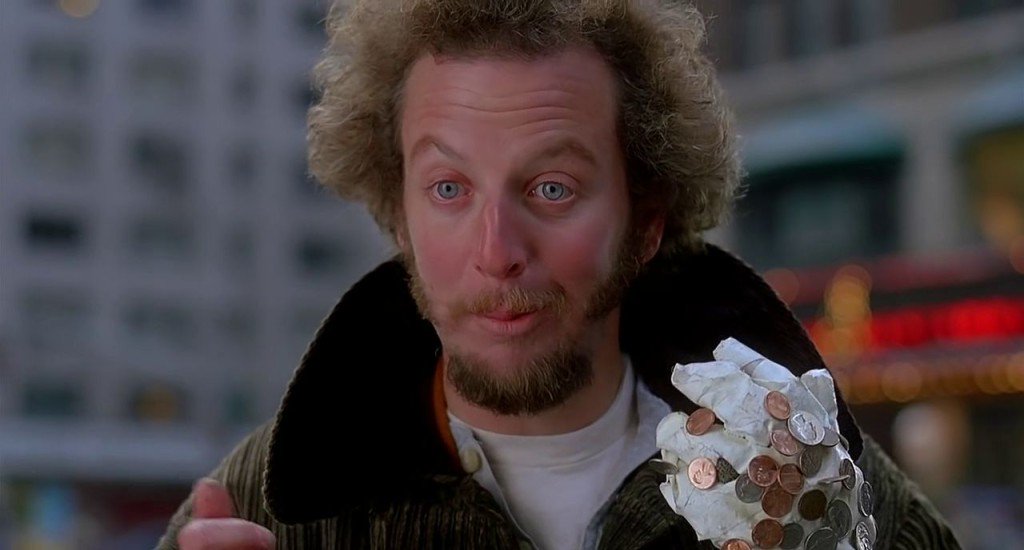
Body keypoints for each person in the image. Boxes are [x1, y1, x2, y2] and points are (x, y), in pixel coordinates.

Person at [158, 1, 961, 548]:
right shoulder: (265, 504)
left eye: (552, 188)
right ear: (398, 216)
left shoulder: (825, 488)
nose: (497, 249)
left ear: (645, 222)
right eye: (449, 189)